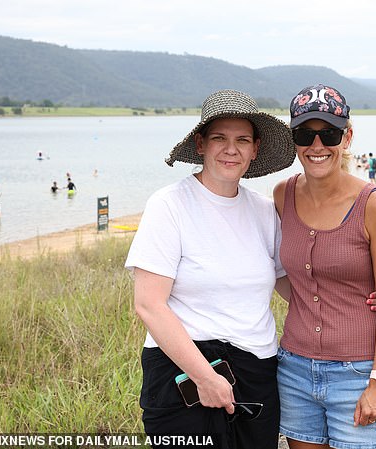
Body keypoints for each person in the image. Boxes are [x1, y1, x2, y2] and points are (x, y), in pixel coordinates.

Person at [124, 89, 297, 449]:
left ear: (255, 149)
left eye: (242, 140)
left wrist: (350, 301)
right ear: (200, 144)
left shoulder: (265, 212)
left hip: (257, 370)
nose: (231, 149)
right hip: (183, 373)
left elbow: (288, 285)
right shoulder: (169, 205)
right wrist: (204, 377)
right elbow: (149, 304)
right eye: (219, 138)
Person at [275, 84, 376, 449]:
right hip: (295, 370)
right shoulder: (282, 194)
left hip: (358, 373)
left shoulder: (374, 205)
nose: (317, 146)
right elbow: (293, 278)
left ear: (346, 137)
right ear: (293, 139)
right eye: (305, 134)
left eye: (328, 133)